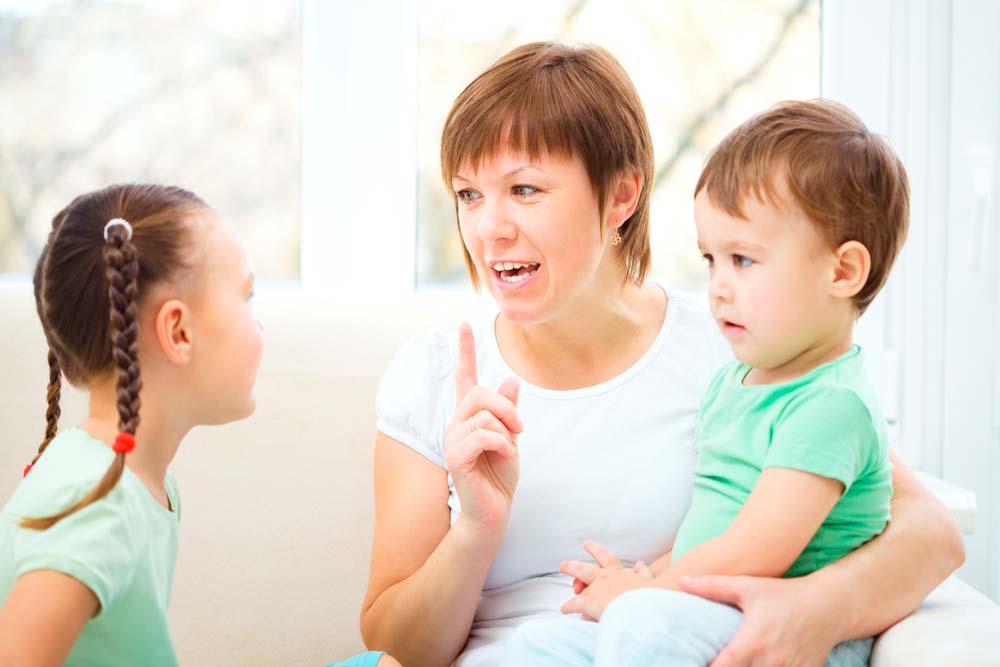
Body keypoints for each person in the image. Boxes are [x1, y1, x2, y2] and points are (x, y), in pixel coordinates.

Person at [360, 42, 964, 667]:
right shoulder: (435, 375)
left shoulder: (736, 348)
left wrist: (815, 611)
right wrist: (476, 530)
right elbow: (394, 649)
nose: (489, 228)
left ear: (621, 196)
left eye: (525, 188)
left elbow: (931, 534)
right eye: (468, 195)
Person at [502, 98, 907, 666]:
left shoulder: (831, 405)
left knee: (641, 625)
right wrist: (648, 572)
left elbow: (758, 548)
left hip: (777, 629)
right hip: (701, 607)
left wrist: (646, 594)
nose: (717, 286)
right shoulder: (735, 381)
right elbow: (710, 526)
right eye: (711, 259)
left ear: (842, 272)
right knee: (538, 643)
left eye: (743, 260)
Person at [0, 184, 397, 667]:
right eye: (246, 297)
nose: (258, 324)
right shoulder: (96, 507)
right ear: (178, 332)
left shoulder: (137, 479)